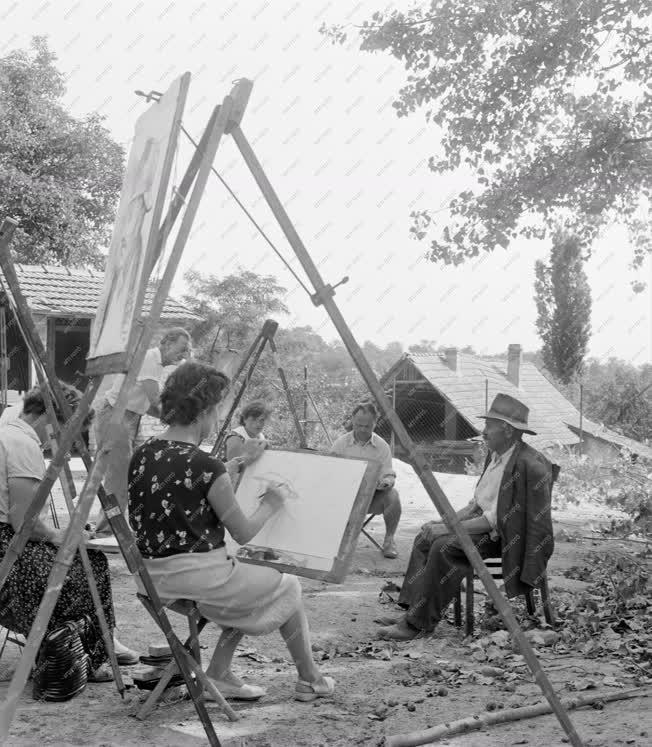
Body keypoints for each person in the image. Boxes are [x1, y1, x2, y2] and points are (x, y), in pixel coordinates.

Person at [128, 361, 334, 702]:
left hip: (152, 580)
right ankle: (310, 678)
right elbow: (242, 531)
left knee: (246, 577)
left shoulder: (144, 453)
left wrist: (238, 464)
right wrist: (271, 502)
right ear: (204, 411)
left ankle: (221, 673)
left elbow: (187, 487)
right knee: (286, 582)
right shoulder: (205, 466)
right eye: (216, 411)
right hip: (201, 582)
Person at [377, 393, 557, 641]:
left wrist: (450, 531)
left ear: (507, 430)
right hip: (486, 527)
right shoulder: (497, 456)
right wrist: (443, 523)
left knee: (445, 546)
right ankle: (411, 610)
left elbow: (498, 520)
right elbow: (476, 505)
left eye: (489, 426)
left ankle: (418, 624)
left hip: (508, 539)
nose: (483, 432)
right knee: (425, 537)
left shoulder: (529, 464)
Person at [0, 382, 139, 680]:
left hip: (6, 542)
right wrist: (58, 535)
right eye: (66, 432)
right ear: (50, 420)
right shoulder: (22, 443)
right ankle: (84, 655)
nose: (61, 442)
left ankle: (79, 648)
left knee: (75, 557)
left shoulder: (8, 427)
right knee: (91, 565)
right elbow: (24, 523)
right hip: (5, 551)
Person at [92, 328, 191, 534]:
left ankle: (122, 524)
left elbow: (151, 407)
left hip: (131, 417)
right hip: (116, 415)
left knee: (140, 469)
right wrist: (178, 420)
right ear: (166, 342)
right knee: (118, 476)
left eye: (186, 351)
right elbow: (156, 400)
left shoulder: (155, 365)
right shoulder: (150, 359)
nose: (183, 355)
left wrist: (174, 421)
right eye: (181, 349)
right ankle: (108, 530)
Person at [330, 403, 401, 559]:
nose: (362, 429)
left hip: (372, 498)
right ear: (352, 421)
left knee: (393, 496)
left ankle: (389, 540)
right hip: (344, 500)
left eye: (367, 426)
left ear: (375, 423)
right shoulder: (340, 444)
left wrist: (387, 481)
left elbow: (388, 473)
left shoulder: (382, 446)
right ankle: (333, 539)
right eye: (358, 425)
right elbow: (330, 473)